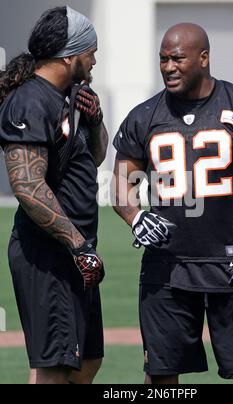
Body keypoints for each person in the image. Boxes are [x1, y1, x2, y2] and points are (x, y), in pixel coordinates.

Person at [112, 23, 233, 384]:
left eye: (177, 58)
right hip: (167, 270)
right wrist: (134, 217)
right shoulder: (144, 116)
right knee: (161, 376)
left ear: (204, 58)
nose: (168, 67)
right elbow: (121, 181)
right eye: (162, 59)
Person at [0, 6, 108, 384]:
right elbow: (28, 187)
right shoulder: (30, 101)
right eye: (91, 51)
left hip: (75, 252)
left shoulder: (73, 94)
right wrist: (78, 246)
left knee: (89, 360)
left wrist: (95, 122)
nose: (95, 59)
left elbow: (94, 157)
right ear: (70, 54)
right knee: (54, 369)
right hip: (47, 254)